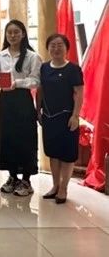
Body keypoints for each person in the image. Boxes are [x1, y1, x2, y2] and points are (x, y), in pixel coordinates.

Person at [0, 19, 41, 196]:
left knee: (25, 138)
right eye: (9, 32)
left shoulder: (32, 56)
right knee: (8, 137)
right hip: (5, 100)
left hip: (23, 100)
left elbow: (36, 80)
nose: (12, 35)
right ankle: (12, 176)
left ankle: (26, 180)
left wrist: (18, 83)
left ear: (23, 34)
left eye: (16, 32)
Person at [37, 33, 84, 204]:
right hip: (49, 117)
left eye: (60, 45)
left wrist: (75, 116)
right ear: (48, 48)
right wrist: (38, 110)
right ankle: (55, 185)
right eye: (52, 45)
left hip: (67, 118)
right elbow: (40, 91)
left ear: (66, 48)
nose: (56, 48)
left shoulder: (73, 69)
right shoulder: (44, 68)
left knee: (67, 155)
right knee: (53, 153)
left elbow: (79, 93)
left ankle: (64, 188)